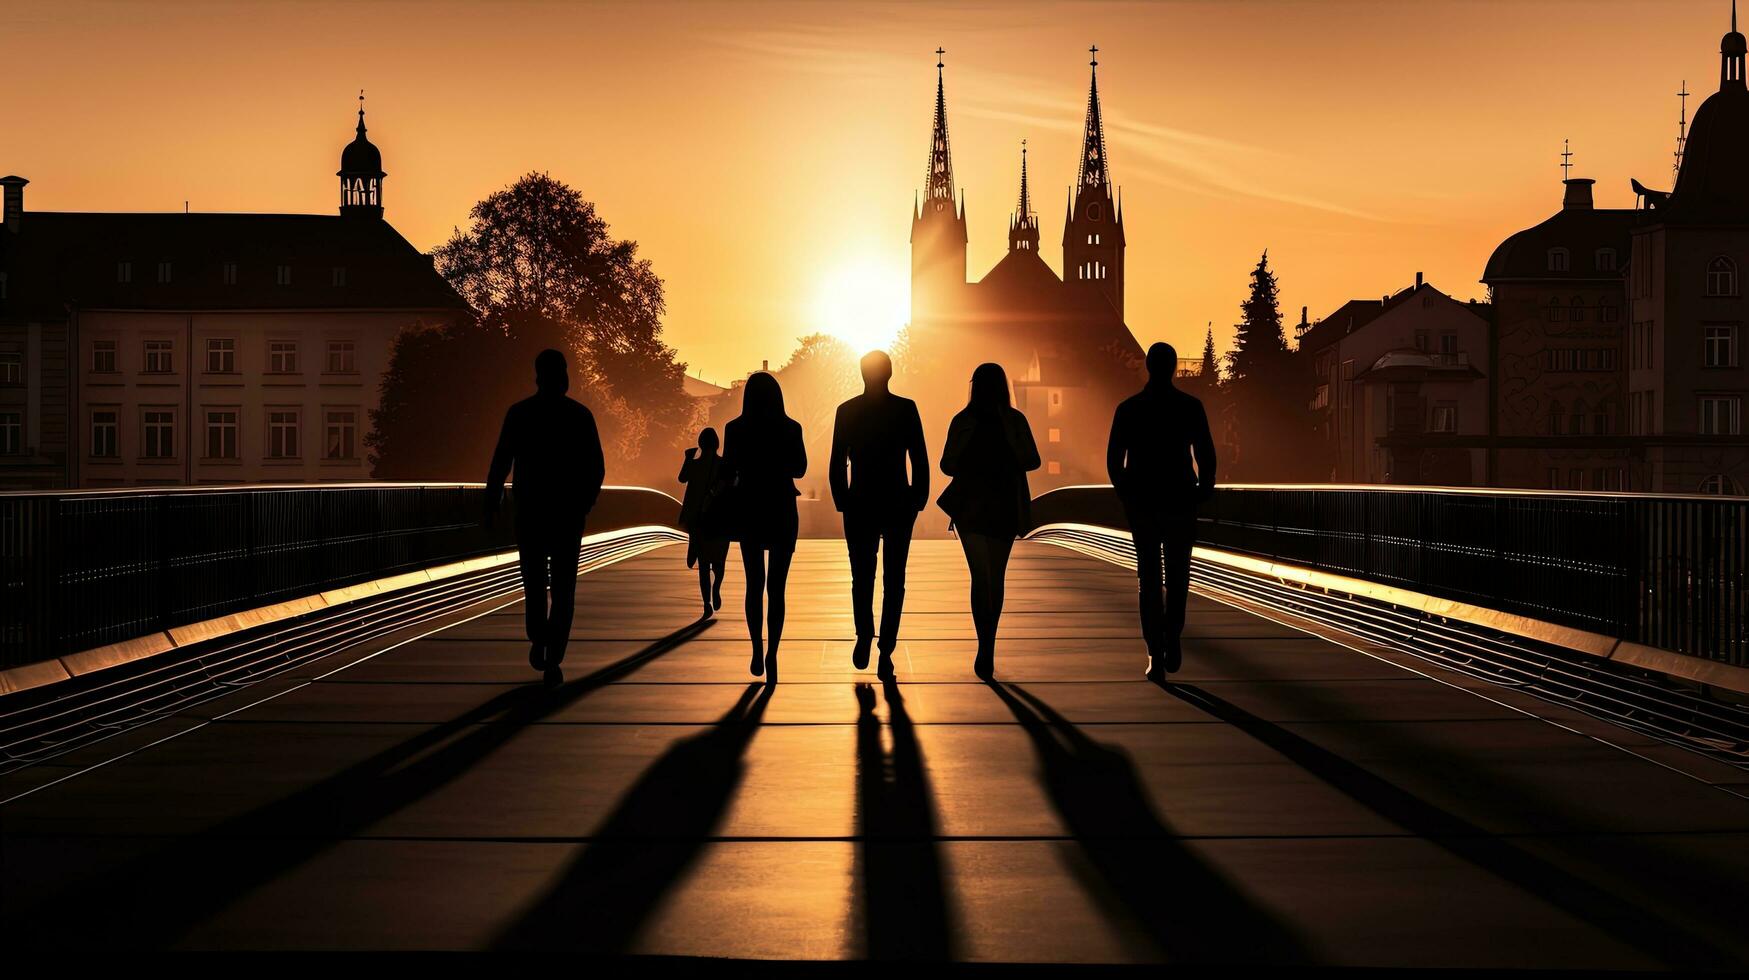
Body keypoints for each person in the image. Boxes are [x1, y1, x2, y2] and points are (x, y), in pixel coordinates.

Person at [485, 348, 607, 682]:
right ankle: (555, 652)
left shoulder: (519, 414)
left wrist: (492, 501)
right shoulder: (580, 416)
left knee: (534, 582)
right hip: (568, 514)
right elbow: (596, 467)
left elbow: (501, 462)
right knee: (565, 586)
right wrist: (584, 502)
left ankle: (539, 637)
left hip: (530, 512)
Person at [1106, 342, 1217, 682]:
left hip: (1142, 501)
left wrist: (1126, 492)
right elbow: (1206, 455)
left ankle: (1154, 650)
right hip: (1180, 498)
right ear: (1171, 368)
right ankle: (1173, 636)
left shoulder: (1129, 409)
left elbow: (1114, 460)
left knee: (1149, 577)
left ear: (1148, 367)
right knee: (1179, 575)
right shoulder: (1190, 407)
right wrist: (1204, 490)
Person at [829, 350, 930, 676]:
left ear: (862, 374)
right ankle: (886, 645)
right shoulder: (906, 409)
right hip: (898, 501)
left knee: (862, 576)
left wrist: (842, 500)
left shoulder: (846, 411)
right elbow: (919, 457)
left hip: (859, 502)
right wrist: (918, 499)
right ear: (889, 374)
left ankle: (863, 634)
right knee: (894, 579)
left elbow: (836, 462)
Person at [937, 362, 1040, 680]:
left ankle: (985, 645)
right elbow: (1032, 460)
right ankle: (988, 645)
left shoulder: (963, 420)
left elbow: (947, 465)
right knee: (993, 577)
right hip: (1002, 505)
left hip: (972, 506)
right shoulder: (1014, 420)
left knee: (982, 577)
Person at [723, 371, 807, 684]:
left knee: (754, 583)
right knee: (777, 588)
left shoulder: (735, 429)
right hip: (782, 507)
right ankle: (773, 652)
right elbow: (800, 468)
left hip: (749, 508)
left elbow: (728, 470)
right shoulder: (791, 428)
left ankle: (756, 649)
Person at [678, 427, 732, 619]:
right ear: (717, 444)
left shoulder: (695, 464)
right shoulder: (724, 464)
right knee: (719, 561)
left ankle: (706, 603)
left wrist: (688, 458)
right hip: (720, 519)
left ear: (700, 444)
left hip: (699, 521)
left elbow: (681, 478)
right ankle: (717, 585)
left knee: (703, 565)